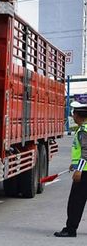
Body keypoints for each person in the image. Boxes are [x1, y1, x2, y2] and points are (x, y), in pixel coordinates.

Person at [54, 101, 87, 238]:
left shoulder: (83, 131)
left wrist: (78, 169)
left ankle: (70, 229)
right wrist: (74, 164)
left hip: (85, 172)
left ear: (79, 115)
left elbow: (85, 151)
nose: (72, 116)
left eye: (73, 113)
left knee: (75, 202)